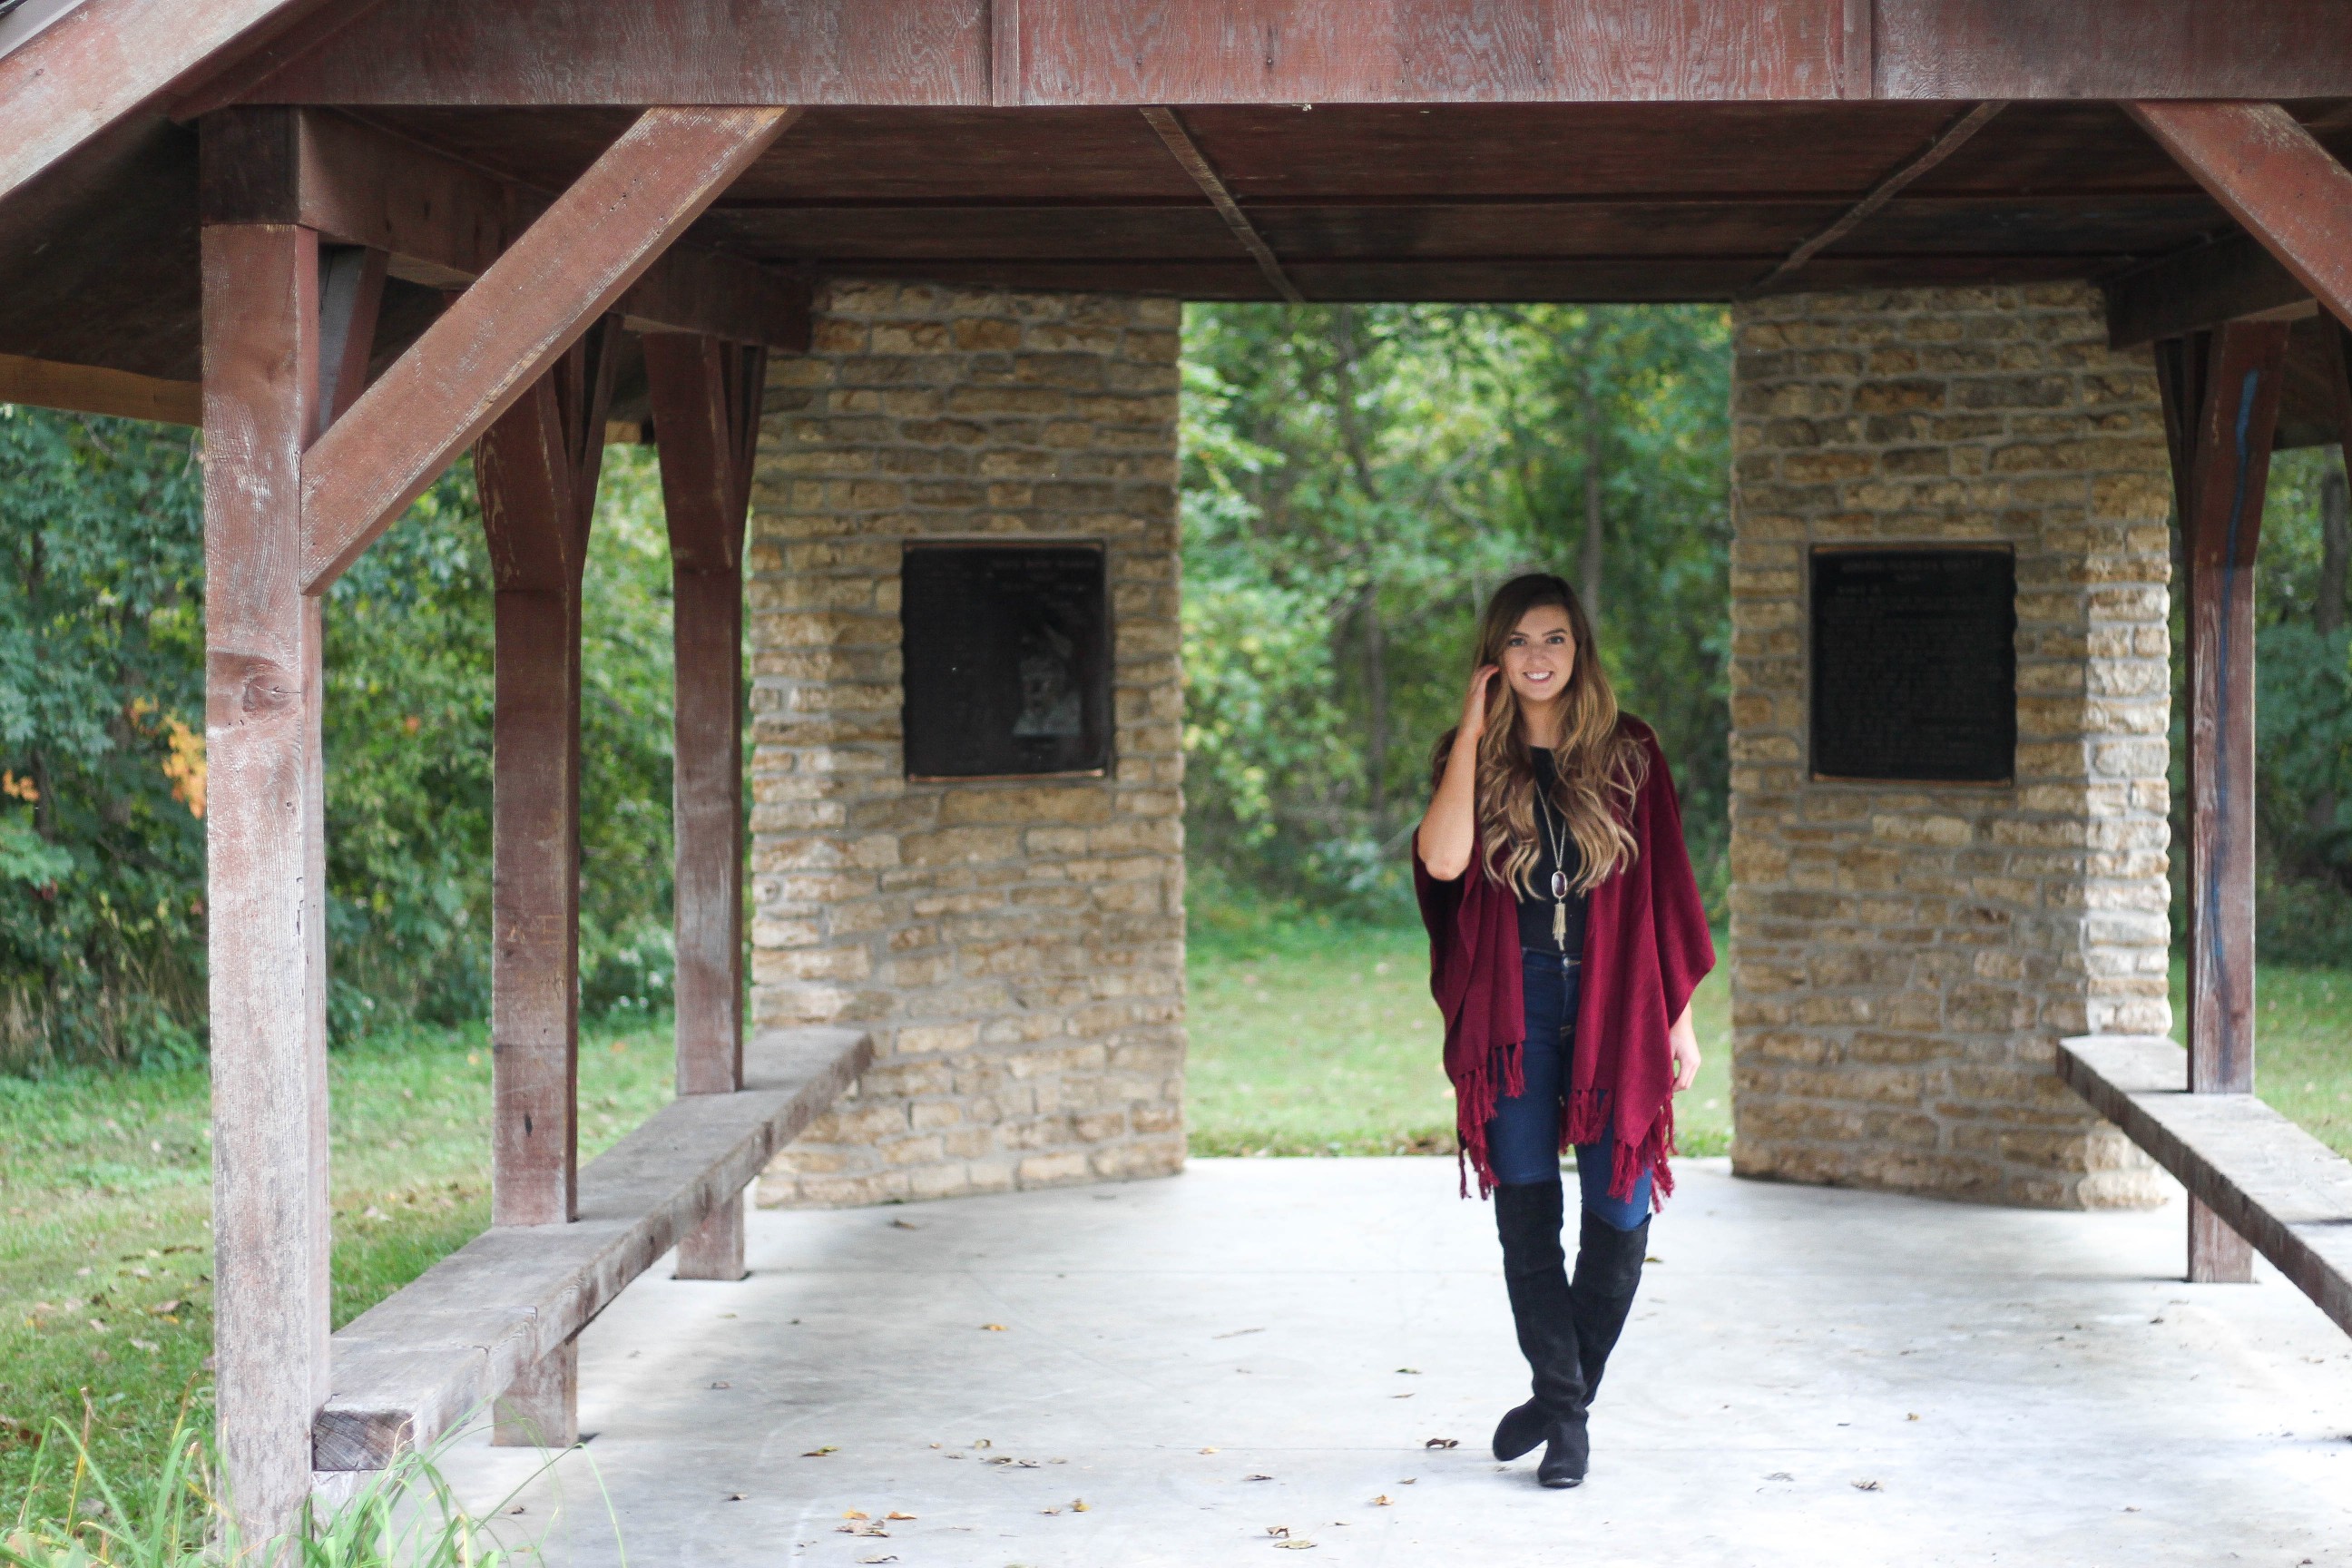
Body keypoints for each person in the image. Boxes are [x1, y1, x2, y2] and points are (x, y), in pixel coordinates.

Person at [1412, 572, 1714, 1489]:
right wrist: (1471, 734)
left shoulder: (1629, 753)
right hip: (1518, 1008)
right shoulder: (1471, 756)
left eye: (1554, 640)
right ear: (1493, 657)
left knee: (1621, 1208)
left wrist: (1681, 1022)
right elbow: (1445, 859)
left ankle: (1555, 1400)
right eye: (1518, 641)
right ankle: (1572, 1425)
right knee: (1529, 1215)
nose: (1537, 658)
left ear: (1577, 651)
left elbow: (1662, 896)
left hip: (1619, 998)